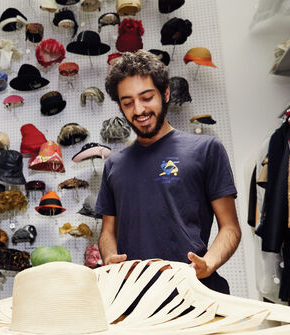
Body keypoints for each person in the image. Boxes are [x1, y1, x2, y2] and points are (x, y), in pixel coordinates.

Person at [96, 51, 241, 293]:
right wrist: (110, 257)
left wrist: (208, 264)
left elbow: (230, 228)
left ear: (165, 93)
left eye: (146, 97)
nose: (139, 109)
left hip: (193, 294)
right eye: (128, 102)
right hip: (133, 301)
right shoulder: (114, 165)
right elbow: (107, 232)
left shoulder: (205, 149)